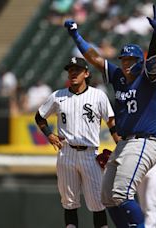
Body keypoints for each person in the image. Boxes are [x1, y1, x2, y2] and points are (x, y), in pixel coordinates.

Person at [64, 4, 156, 227]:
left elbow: (153, 58)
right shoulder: (118, 77)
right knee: (106, 197)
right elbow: (95, 58)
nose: (125, 64)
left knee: (121, 193)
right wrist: (77, 36)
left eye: (130, 61)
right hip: (124, 144)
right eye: (123, 60)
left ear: (139, 62)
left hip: (144, 141)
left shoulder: (148, 77)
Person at [35, 57, 120, 228]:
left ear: (86, 73)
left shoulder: (98, 95)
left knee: (98, 203)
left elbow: (111, 123)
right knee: (69, 202)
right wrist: (49, 134)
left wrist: (121, 146)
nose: (73, 73)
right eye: (70, 70)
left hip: (90, 154)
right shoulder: (58, 96)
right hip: (66, 153)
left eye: (77, 70)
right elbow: (39, 117)